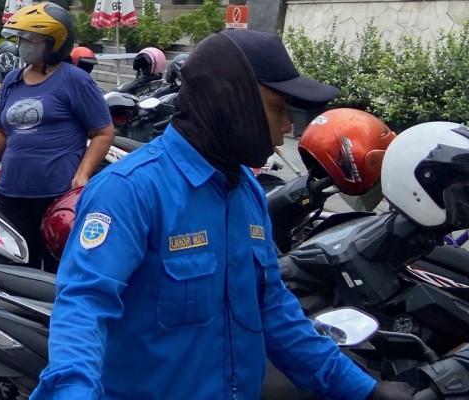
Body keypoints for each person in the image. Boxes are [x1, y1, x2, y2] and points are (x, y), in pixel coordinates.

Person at [31, 30, 413, 400]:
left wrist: (364, 389)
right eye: (279, 109)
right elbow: (83, 310)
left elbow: (274, 313)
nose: (285, 129)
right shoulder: (130, 191)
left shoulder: (246, 190)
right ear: (231, 103)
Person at [0, 2, 114, 271]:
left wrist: (83, 175)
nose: (22, 45)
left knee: (59, 271)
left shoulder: (75, 80)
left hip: (57, 195)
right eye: (20, 39)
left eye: (29, 39)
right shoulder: (12, 80)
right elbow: (1, 131)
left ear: (54, 43)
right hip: (12, 193)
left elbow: (103, 132)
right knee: (21, 270)